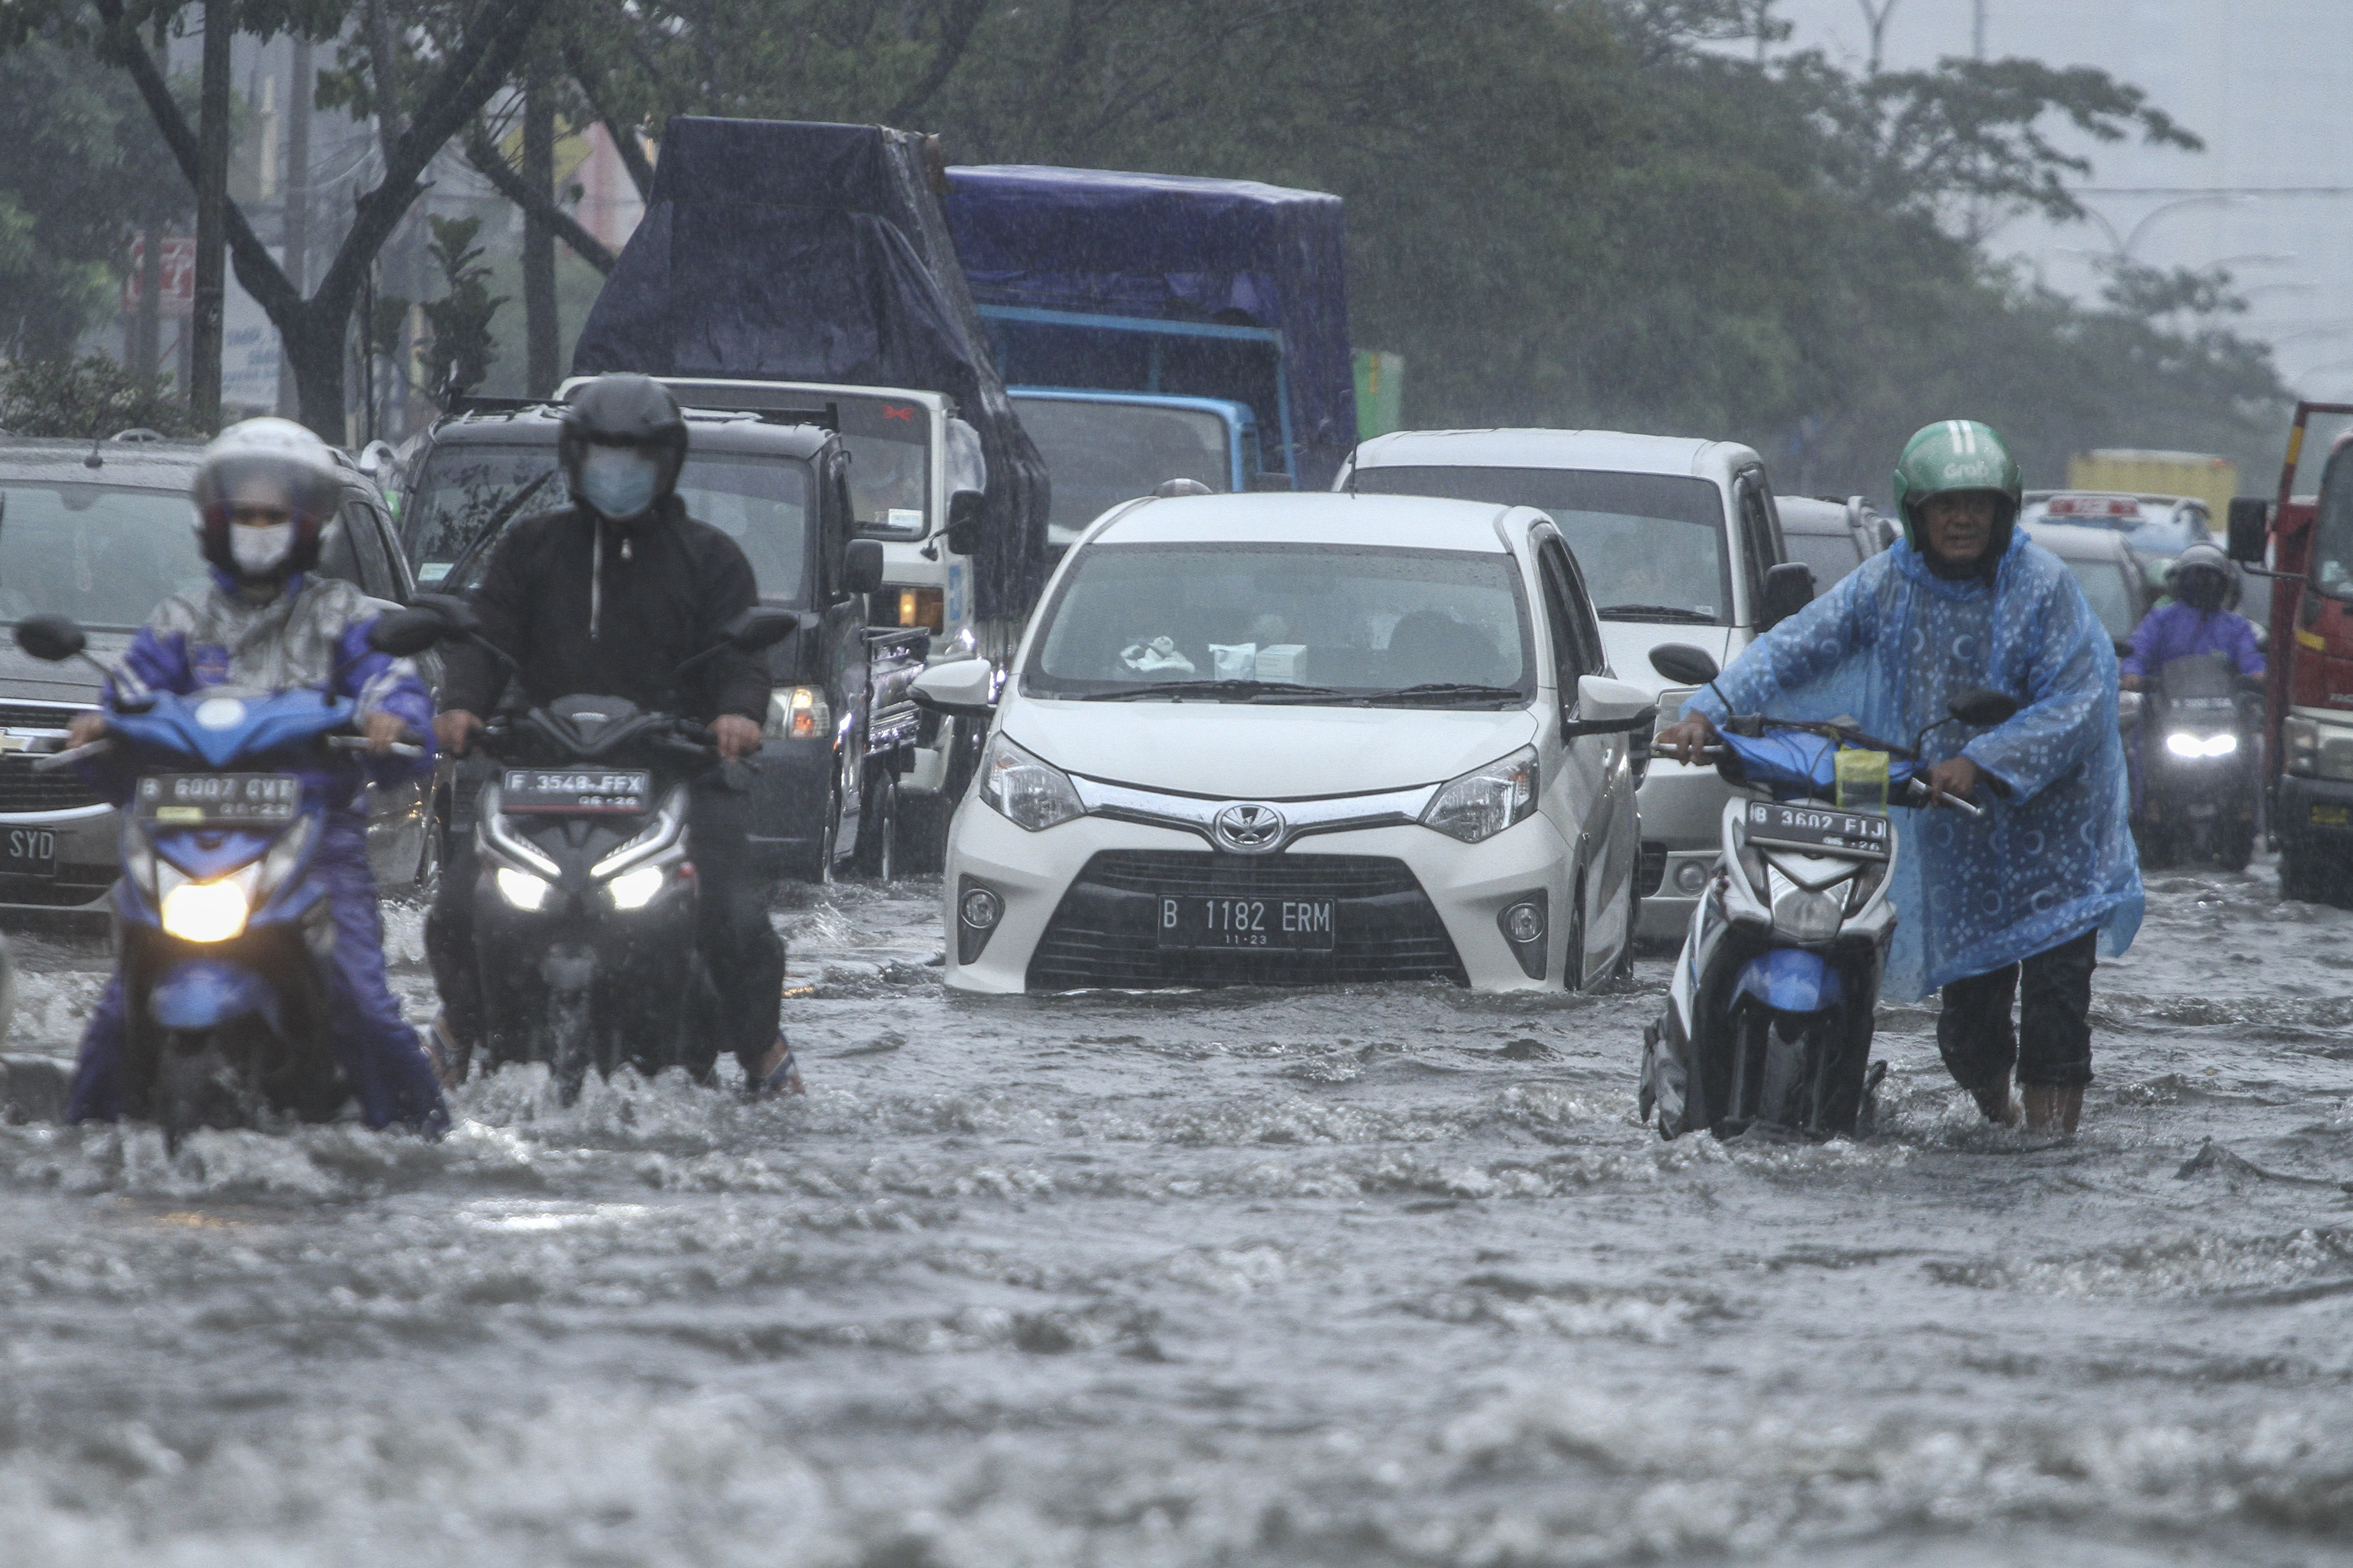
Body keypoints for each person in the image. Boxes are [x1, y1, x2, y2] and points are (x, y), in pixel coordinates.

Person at [1656, 420, 2141, 1135]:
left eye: (1977, 503)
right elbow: (1798, 645)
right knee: (1968, 1033)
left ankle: (2049, 1149)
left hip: (2056, 841)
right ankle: (1997, 1111)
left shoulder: (2043, 589)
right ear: (1915, 514)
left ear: (2003, 510)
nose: (1962, 518)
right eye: (1945, 505)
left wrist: (1982, 760)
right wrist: (1709, 709)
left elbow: (2078, 702)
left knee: (2055, 1013)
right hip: (1959, 832)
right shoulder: (1887, 584)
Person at [63, 418, 446, 1133]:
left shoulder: (344, 616)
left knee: (364, 1002)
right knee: (116, 1013)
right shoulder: (181, 619)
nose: (258, 527)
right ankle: (76, 1148)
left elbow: (391, 687)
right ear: (215, 519)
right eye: (245, 512)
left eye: (274, 513)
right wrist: (99, 726)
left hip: (313, 837)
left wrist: (392, 719)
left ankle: (430, 1144)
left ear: (308, 523)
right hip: (183, 835)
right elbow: (130, 695)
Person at [426, 373, 799, 1096]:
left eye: (635, 455)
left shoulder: (710, 559)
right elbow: (483, 637)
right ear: (574, 456)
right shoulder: (529, 549)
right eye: (603, 452)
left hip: (676, 775)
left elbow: (739, 658)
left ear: (667, 462)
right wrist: (462, 704)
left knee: (736, 920)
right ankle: (457, 1028)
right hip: (538, 772)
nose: (618, 469)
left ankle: (763, 1053)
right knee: (455, 908)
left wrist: (736, 716)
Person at [2119, 543, 2264, 691]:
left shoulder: (2236, 625)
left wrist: (2258, 675)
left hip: (2226, 707)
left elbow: (2250, 657)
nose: (2203, 584)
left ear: (2224, 585)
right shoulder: (2161, 619)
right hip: (2165, 705)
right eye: (2196, 577)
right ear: (2179, 583)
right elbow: (2139, 651)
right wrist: (2132, 674)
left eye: (2211, 579)